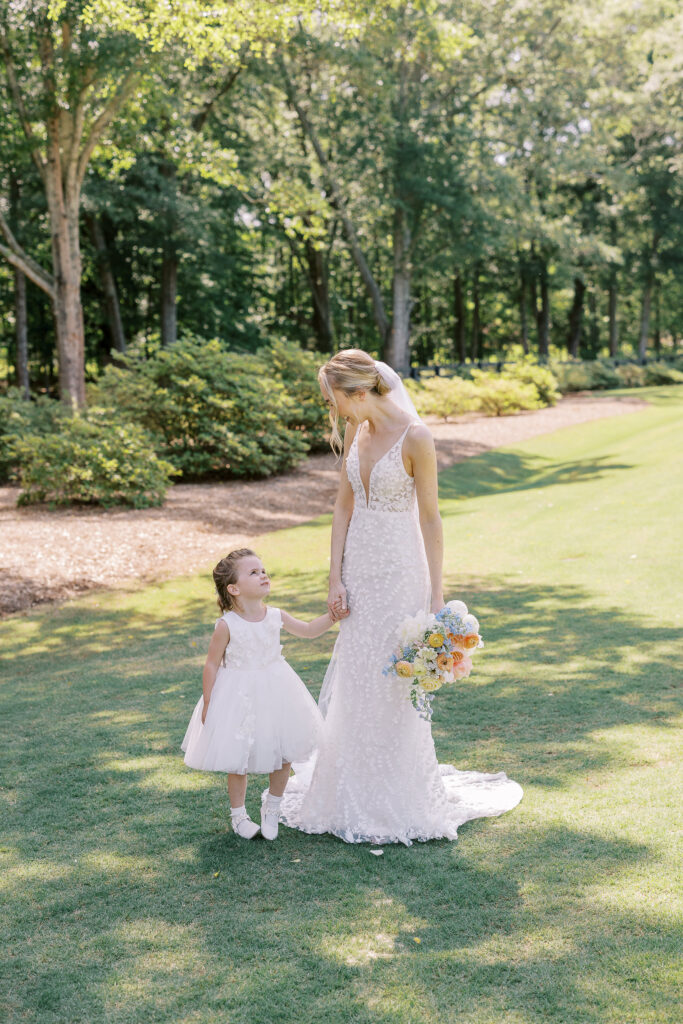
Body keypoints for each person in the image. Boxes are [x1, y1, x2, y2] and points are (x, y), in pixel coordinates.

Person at [279, 349, 523, 845]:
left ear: (360, 392)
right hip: (360, 570)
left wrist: (436, 597)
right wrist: (334, 578)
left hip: (401, 570)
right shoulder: (355, 432)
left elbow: (431, 519)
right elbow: (343, 508)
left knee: (393, 678)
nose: (334, 412)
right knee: (356, 672)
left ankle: (397, 792)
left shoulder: (417, 437)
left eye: (335, 401)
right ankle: (348, 786)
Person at [181, 549, 346, 840]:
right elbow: (211, 663)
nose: (263, 575)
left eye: (263, 570)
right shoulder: (226, 625)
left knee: (285, 751)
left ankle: (273, 806)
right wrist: (209, 702)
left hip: (277, 688)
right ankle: (238, 815)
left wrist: (332, 618)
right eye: (253, 572)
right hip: (238, 694)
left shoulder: (275, 615)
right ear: (234, 588)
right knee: (238, 757)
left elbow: (307, 630)